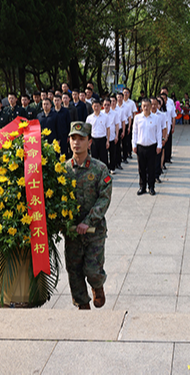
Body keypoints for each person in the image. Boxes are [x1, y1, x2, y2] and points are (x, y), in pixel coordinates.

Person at [63, 121, 112, 309]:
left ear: (89, 142)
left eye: (81, 139)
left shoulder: (99, 169)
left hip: (94, 231)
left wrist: (88, 221)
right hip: (73, 232)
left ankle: (97, 286)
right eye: (73, 138)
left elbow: (104, 199)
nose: (77, 143)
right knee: (74, 272)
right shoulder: (64, 170)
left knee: (92, 270)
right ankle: (82, 306)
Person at [132, 98, 162, 195]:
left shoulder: (156, 118)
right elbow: (135, 132)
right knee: (141, 168)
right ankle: (142, 186)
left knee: (151, 168)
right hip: (141, 146)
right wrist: (134, 144)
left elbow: (159, 133)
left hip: (152, 146)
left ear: (151, 106)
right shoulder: (137, 118)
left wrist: (159, 145)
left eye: (147, 106)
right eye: (144, 106)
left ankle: (151, 187)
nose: (146, 108)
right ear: (141, 107)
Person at [86, 99, 110, 167]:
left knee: (104, 159)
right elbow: (87, 131)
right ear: (92, 107)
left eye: (98, 106)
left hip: (102, 139)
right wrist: (88, 142)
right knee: (94, 159)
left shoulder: (105, 117)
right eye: (94, 106)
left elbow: (108, 129)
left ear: (100, 106)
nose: (96, 108)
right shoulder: (89, 118)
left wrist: (108, 141)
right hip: (93, 140)